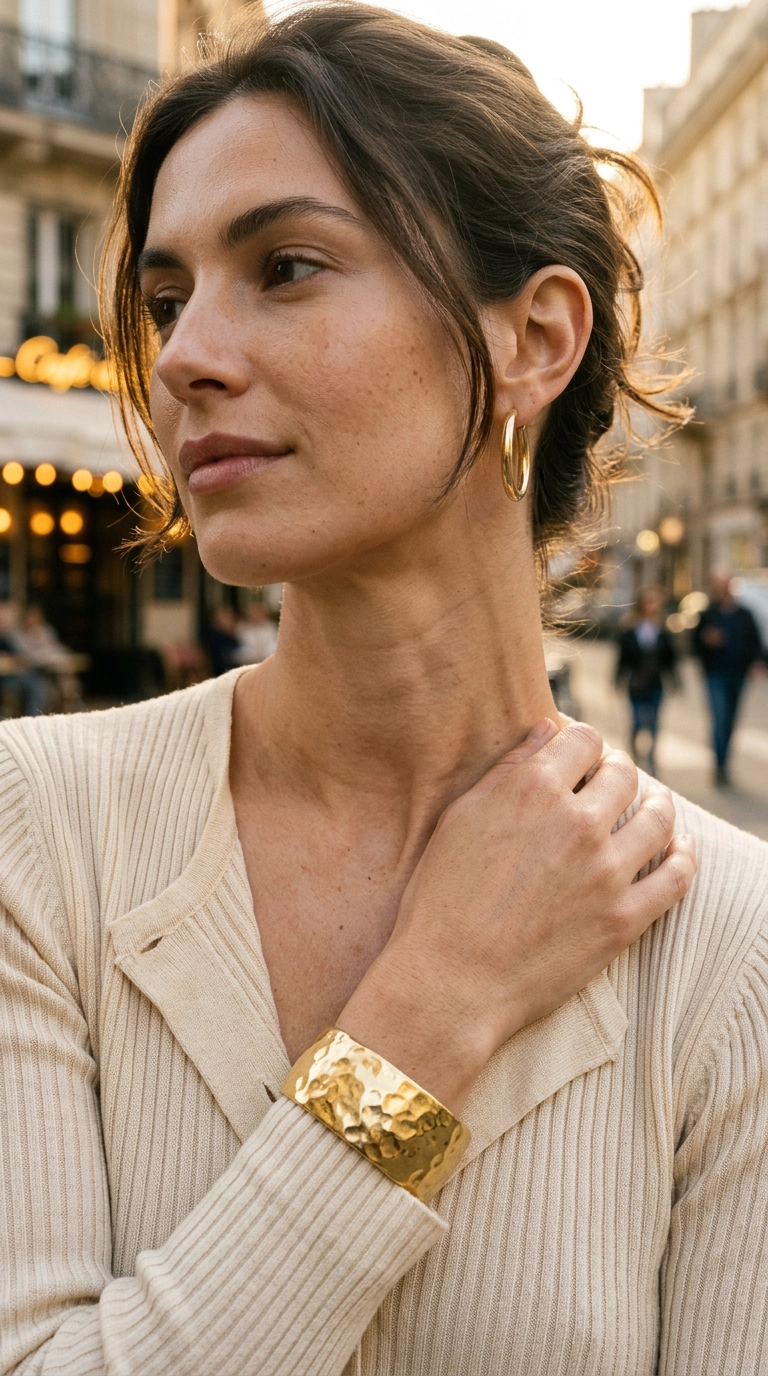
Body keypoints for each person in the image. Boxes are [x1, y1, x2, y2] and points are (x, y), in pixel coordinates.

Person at [2, 9, 766, 1374]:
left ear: (536, 337)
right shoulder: (36, 834)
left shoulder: (733, 950)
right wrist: (429, 1005)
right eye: (167, 300)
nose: (180, 358)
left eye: (287, 267)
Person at [693, 570, 763, 786]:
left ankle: (724, 761)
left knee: (730, 720)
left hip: (738, 674)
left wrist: (757, 662)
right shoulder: (708, 614)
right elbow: (694, 644)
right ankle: (719, 765)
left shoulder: (745, 614)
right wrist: (706, 641)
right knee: (719, 717)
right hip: (715, 673)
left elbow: (755, 641)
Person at [616, 585, 676, 775]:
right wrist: (618, 679)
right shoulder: (630, 629)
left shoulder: (662, 630)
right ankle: (634, 752)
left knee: (654, 722)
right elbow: (622, 658)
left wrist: (675, 681)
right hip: (636, 683)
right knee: (636, 721)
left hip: (655, 683)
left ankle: (651, 758)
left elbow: (670, 659)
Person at [0, 603, 47, 717]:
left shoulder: (6, 640)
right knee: (33, 684)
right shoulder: (14, 636)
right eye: (2, 621)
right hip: (4, 681)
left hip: (8, 678)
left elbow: (20, 658)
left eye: (5, 621)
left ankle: (31, 719)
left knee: (36, 683)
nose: (4, 624)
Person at [235, 599, 279, 664]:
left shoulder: (271, 626)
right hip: (250, 655)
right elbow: (243, 643)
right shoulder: (243, 627)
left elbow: (273, 641)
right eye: (254, 613)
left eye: (259, 612)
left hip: (267, 655)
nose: (256, 615)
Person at [206, 602, 241, 675]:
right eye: (224, 618)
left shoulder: (239, 633)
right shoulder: (215, 637)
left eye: (230, 618)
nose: (228, 621)